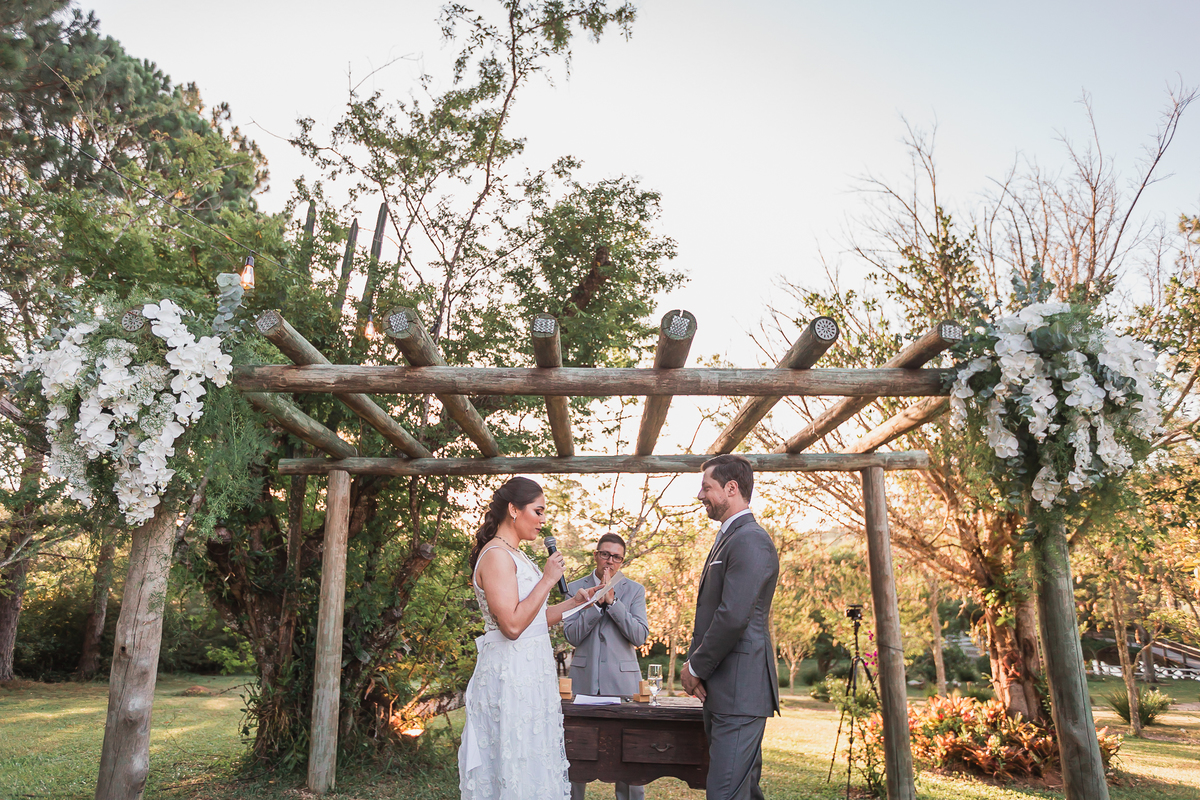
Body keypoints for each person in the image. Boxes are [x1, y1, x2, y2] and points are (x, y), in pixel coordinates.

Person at [459, 477, 598, 800]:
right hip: (509, 676)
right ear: (513, 509)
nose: (543, 520)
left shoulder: (517, 555)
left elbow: (534, 619)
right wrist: (548, 580)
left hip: (531, 674)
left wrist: (576, 603)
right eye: (538, 511)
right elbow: (511, 625)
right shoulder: (496, 555)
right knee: (512, 762)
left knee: (532, 761)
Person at [681, 454, 780, 800]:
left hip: (740, 691)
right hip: (725, 690)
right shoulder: (729, 536)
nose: (700, 495)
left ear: (731, 488)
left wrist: (695, 666)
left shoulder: (750, 539)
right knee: (742, 792)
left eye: (706, 487)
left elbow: (733, 616)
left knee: (724, 793)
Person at [563, 532, 649, 800]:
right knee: (576, 757)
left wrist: (612, 603)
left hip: (623, 686)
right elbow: (572, 635)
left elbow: (639, 636)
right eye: (605, 554)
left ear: (622, 561)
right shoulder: (574, 588)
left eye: (616, 557)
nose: (610, 561)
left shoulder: (634, 590)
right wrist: (595, 606)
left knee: (629, 758)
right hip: (583, 684)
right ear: (596, 555)